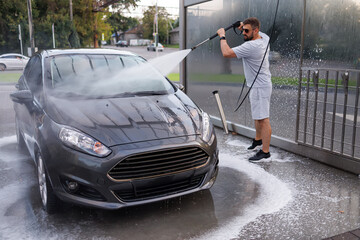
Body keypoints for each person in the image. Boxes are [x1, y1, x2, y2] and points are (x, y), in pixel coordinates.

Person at [216, 17, 272, 161]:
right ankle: (258, 139)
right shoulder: (264, 38)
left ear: (256, 30)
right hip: (257, 85)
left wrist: (222, 36)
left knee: (263, 119)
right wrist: (243, 27)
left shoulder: (252, 46)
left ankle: (265, 152)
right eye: (243, 30)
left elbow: (226, 53)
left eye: (246, 31)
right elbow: (255, 32)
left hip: (260, 87)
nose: (243, 33)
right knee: (257, 116)